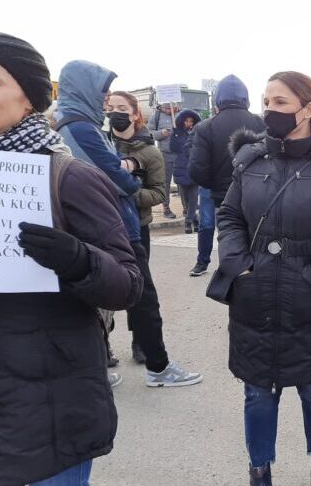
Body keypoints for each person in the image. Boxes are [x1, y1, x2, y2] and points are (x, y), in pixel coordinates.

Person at [0, 31, 142, 486]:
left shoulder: (68, 178)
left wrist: (77, 260)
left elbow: (127, 285)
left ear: (29, 94)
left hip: (53, 392)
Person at [207, 70, 311, 486]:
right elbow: (229, 215)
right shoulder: (251, 160)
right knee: (258, 396)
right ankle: (260, 476)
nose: (269, 110)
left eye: (280, 102)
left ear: (308, 108)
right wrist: (240, 263)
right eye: (266, 101)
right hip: (255, 300)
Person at [57, 59, 202, 388]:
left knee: (103, 298)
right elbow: (121, 181)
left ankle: (102, 365)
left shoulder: (80, 124)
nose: (108, 102)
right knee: (142, 296)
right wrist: (127, 172)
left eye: (115, 99)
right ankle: (158, 367)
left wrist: (126, 168)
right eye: (104, 93)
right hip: (112, 226)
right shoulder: (79, 127)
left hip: (107, 224)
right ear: (84, 89)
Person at [188, 74, 266, 277]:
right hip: (255, 192)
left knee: (216, 230)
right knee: (253, 234)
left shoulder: (206, 126)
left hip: (218, 194)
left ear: (218, 99)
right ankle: (255, 273)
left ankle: (204, 263)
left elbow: (197, 168)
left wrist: (212, 186)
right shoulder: (260, 123)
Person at [107, 91, 166, 256]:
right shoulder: (101, 148)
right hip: (103, 225)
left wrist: (127, 193)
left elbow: (159, 193)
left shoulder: (150, 152)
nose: (115, 113)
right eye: (110, 108)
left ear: (134, 115)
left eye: (122, 108)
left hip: (137, 228)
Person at [147, 101, 180, 219]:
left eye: (171, 106)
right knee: (165, 182)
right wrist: (161, 134)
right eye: (166, 108)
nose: (169, 109)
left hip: (182, 154)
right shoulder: (156, 116)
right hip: (165, 154)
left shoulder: (182, 113)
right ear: (162, 107)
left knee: (183, 180)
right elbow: (148, 134)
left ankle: (187, 207)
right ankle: (166, 208)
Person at [171, 109, 202, 234]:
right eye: (186, 121)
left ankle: (188, 222)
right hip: (180, 169)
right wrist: (174, 134)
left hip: (193, 169)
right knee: (186, 201)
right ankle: (195, 220)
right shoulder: (178, 133)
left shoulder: (198, 134)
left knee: (194, 199)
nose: (189, 123)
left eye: (191, 121)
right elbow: (172, 148)